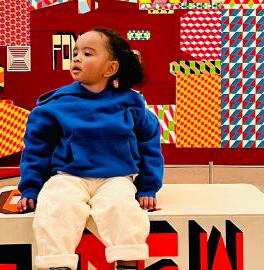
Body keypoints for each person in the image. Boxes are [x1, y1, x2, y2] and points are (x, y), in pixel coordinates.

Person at [17, 27, 164, 270]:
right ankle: (57, 264)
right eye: (75, 52)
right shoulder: (56, 104)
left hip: (116, 177)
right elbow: (36, 149)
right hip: (68, 176)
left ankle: (127, 263)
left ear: (110, 68)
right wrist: (31, 189)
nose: (76, 58)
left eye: (87, 53)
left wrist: (148, 186)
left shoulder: (131, 104)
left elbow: (149, 143)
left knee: (123, 210)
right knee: (55, 206)